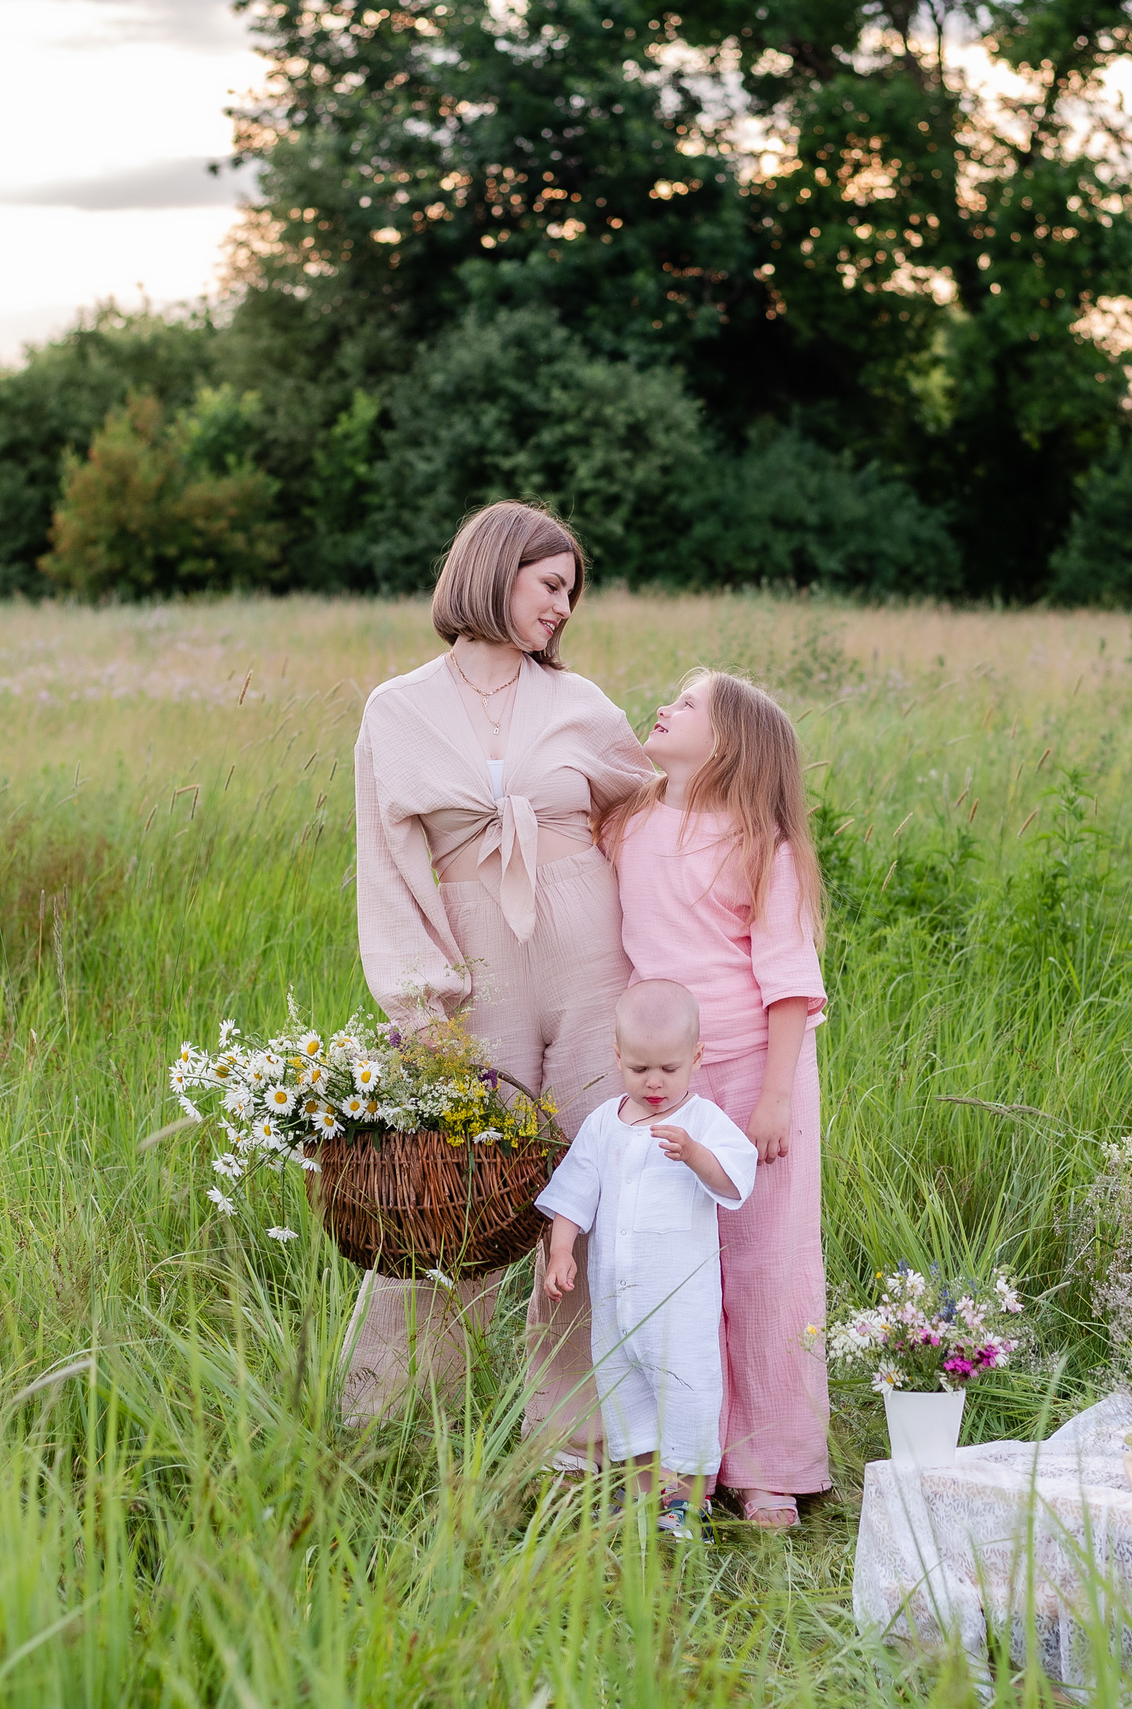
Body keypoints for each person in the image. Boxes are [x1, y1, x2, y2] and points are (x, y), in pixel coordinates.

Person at [349, 500, 654, 1451]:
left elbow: (645, 815)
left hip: (595, 964)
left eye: (571, 593)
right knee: (450, 1194)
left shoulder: (581, 704)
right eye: (551, 586)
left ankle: (576, 1440)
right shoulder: (396, 710)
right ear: (493, 570)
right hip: (476, 977)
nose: (563, 608)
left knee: (596, 1191)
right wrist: (420, 1008)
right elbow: (388, 870)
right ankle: (391, 1423)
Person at [602, 669, 830, 1527]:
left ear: (727, 743)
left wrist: (773, 1099)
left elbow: (786, 985)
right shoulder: (630, 822)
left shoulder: (759, 844)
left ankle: (773, 1461)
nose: (663, 705)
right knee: (678, 1259)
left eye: (688, 703)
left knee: (765, 1264)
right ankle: (686, 1451)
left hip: (754, 1072)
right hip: (667, 1073)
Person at [536, 981, 758, 1539]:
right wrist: (562, 1250)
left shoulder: (702, 1121)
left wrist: (696, 1156)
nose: (654, 1083)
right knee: (624, 1392)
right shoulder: (603, 1124)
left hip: (677, 1303)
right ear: (617, 1058)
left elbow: (735, 1177)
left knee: (685, 1391)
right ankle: (642, 1500)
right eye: (639, 1070)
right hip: (617, 1300)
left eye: (668, 1068)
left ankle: (687, 1507)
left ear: (696, 1059)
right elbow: (574, 1192)